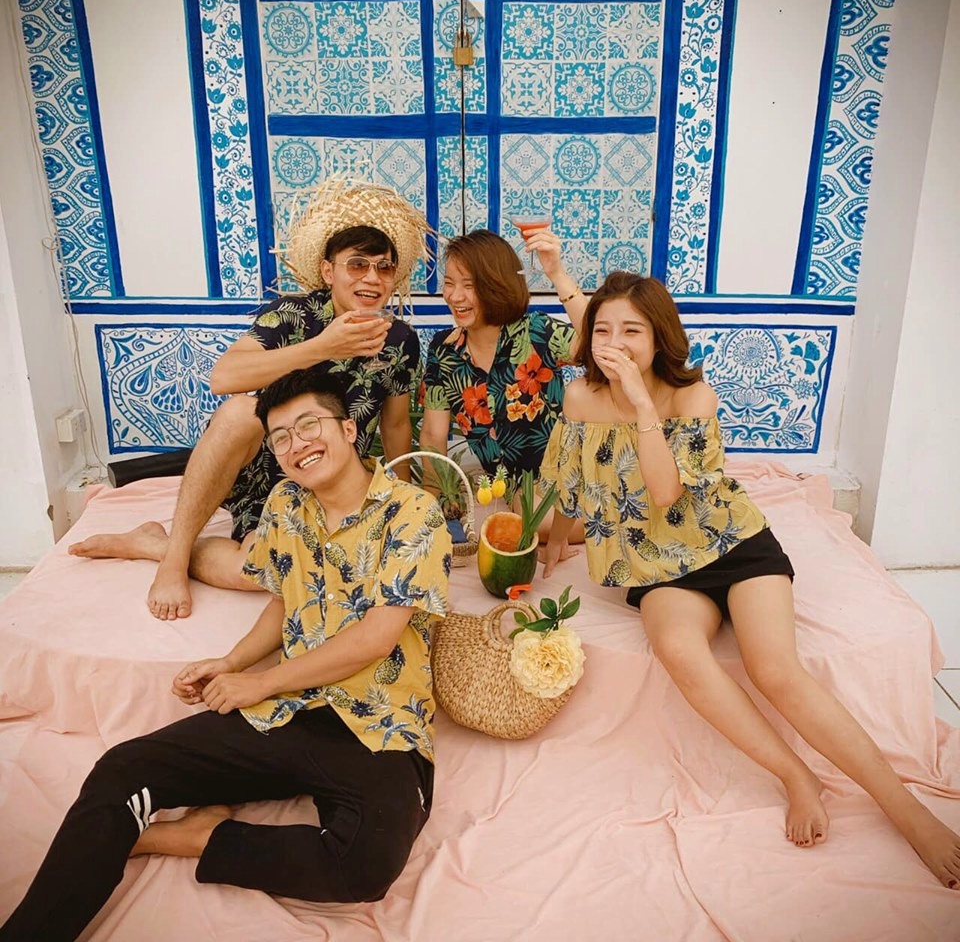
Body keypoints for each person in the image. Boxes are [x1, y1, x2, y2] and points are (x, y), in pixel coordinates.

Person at [539, 271, 960, 889]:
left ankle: (907, 810)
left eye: (632, 331)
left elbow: (665, 491)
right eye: (602, 330)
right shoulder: (580, 397)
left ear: (658, 338)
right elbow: (571, 480)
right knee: (679, 649)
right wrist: (553, 539)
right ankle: (795, 775)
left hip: (733, 546)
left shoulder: (692, 397)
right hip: (657, 566)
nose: (615, 343)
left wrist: (642, 405)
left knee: (775, 670)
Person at [0, 369, 452, 942]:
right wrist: (233, 663)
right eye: (281, 438)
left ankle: (197, 838)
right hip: (292, 711)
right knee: (122, 769)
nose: (296, 444)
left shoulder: (413, 512)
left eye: (308, 425)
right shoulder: (287, 503)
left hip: (380, 725)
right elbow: (287, 600)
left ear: (347, 429)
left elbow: (375, 638)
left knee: (365, 863)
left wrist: (260, 682)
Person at [69, 178, 430, 621]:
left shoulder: (400, 339)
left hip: (335, 474)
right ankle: (174, 557)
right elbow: (223, 377)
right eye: (357, 265)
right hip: (271, 466)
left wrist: (403, 498)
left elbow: (396, 424)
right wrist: (324, 347)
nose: (372, 278)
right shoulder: (292, 315)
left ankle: (151, 542)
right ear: (327, 271)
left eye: (384, 268)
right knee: (241, 412)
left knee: (261, 573)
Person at [420, 227, 588, 482]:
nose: (455, 296)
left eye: (469, 285)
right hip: (499, 491)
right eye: (449, 283)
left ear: (497, 285)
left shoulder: (536, 331)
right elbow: (433, 434)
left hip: (561, 486)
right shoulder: (443, 349)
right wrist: (435, 495)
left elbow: (596, 346)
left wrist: (557, 273)